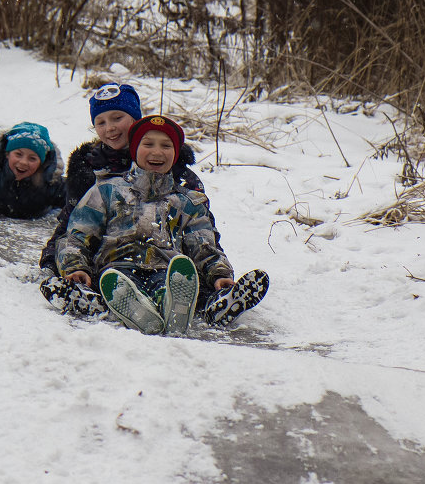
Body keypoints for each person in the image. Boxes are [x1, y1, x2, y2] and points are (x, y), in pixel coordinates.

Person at [56, 114, 268, 334]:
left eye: (166, 146)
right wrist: (76, 267)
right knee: (116, 284)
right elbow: (78, 233)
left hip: (166, 270)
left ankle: (175, 306)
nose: (157, 152)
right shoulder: (107, 191)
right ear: (134, 150)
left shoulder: (186, 202)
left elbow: (203, 244)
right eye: (148, 144)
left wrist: (219, 273)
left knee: (171, 285)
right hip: (116, 268)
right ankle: (121, 305)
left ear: (175, 155)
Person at [38, 82, 219, 315]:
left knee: (179, 279)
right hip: (110, 260)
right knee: (97, 275)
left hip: (164, 260)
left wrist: (215, 271)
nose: (110, 128)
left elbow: (201, 228)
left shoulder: (176, 173)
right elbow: (74, 224)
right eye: (101, 122)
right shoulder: (88, 170)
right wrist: (57, 262)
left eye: (117, 118)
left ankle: (188, 302)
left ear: (135, 119)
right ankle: (104, 298)